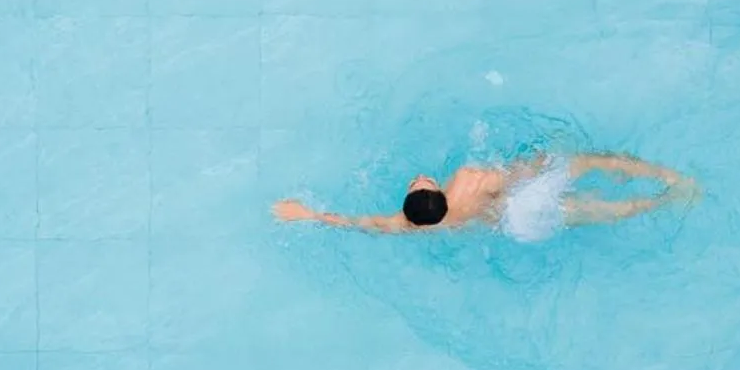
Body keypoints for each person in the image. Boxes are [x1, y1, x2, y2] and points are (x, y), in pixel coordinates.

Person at [273, 151, 698, 242]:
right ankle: (666, 177)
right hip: (520, 198)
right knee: (585, 162)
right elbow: (519, 176)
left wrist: (305, 213)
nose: (418, 176)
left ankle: (662, 202)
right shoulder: (466, 179)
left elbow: (354, 222)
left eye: (414, 182)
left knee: (595, 213)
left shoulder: (410, 225)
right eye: (421, 182)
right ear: (436, 190)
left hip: (511, 223)